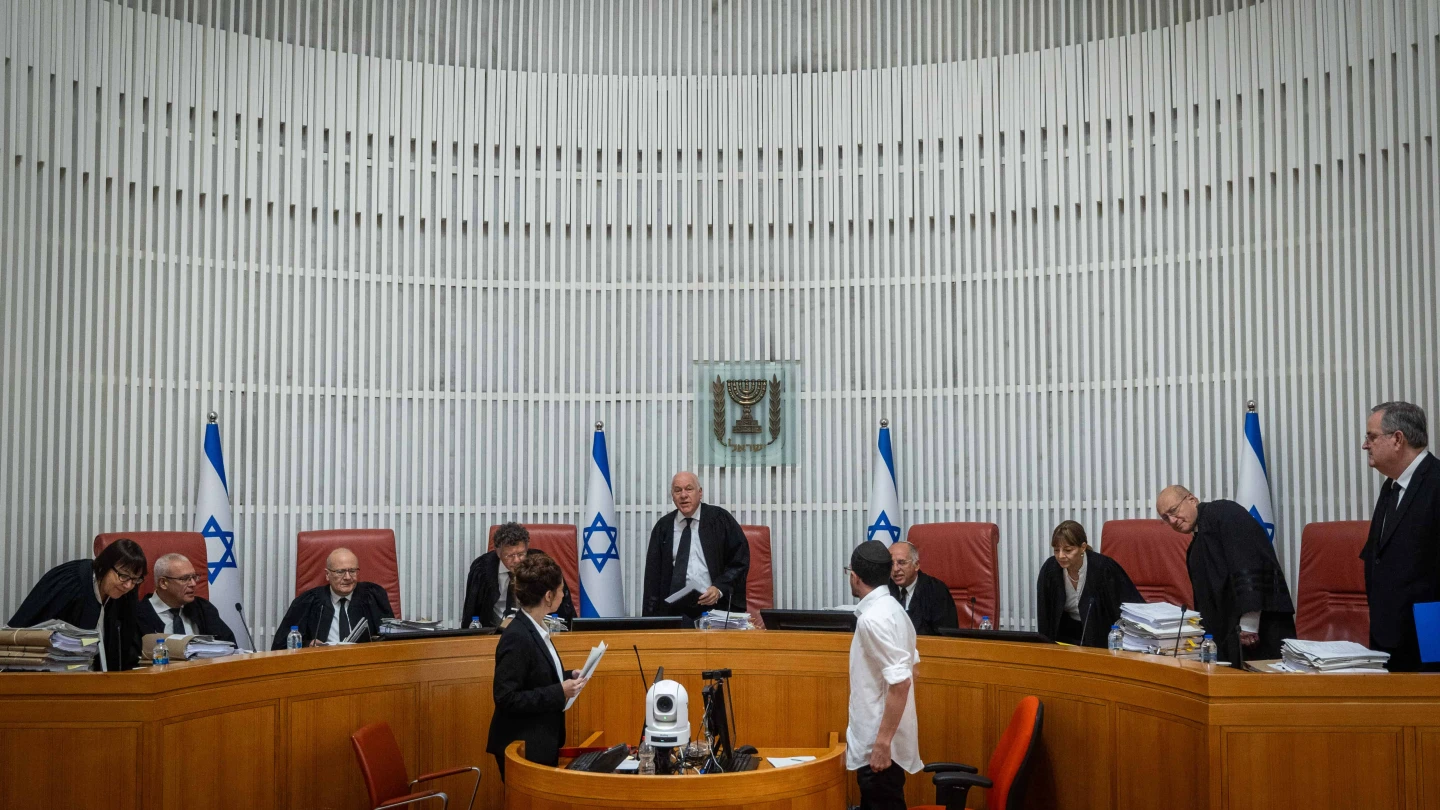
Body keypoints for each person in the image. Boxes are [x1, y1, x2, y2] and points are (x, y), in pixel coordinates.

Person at [1156, 485, 1296, 667]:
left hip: (1259, 635)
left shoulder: (1224, 512)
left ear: (1192, 499)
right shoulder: (1197, 542)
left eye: (1174, 511)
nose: (1173, 520)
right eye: (1166, 518)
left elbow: (1251, 563)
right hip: (1229, 638)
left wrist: (1249, 624)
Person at [485, 553, 589, 779]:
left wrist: (567, 674)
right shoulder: (517, 636)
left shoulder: (537, 627)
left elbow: (537, 674)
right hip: (522, 747)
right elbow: (506, 697)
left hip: (539, 742)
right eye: (562, 590)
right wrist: (560, 691)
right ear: (549, 596)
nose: (564, 595)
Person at [1360, 401, 1440, 672]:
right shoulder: (1390, 487)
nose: (1365, 445)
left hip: (1427, 644)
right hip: (1388, 640)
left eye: (1371, 437)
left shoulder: (1437, 483)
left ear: (1397, 439)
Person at [846, 540, 922, 810]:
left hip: (877, 746)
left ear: (855, 576)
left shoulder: (873, 618)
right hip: (886, 739)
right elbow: (913, 667)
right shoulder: (895, 610)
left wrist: (882, 742)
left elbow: (901, 681)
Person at [8, 538, 148, 671]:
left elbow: (126, 647)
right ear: (105, 565)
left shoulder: (127, 593)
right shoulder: (71, 582)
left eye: (135, 579)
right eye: (123, 576)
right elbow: (32, 629)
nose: (128, 585)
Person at [641, 471, 750, 622]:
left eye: (689, 489)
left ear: (700, 493)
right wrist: (650, 620)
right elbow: (652, 577)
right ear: (672, 496)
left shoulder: (720, 520)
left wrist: (719, 588)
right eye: (677, 490)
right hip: (675, 612)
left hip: (715, 608)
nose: (683, 495)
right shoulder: (663, 528)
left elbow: (740, 561)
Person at [1035, 521, 1143, 647]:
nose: (1060, 556)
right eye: (1056, 550)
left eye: (1068, 550)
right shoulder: (1050, 570)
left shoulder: (1104, 569)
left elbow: (1129, 609)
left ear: (1083, 547)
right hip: (1064, 639)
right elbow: (1045, 616)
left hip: (1101, 638)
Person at [269, 548, 393, 649]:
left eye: (353, 571)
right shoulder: (309, 601)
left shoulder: (373, 596)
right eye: (340, 572)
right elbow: (281, 646)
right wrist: (307, 645)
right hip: (322, 667)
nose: (348, 577)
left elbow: (392, 640)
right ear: (327, 575)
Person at [460, 522, 576, 628]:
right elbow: (471, 611)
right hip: (495, 630)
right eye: (510, 556)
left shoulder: (539, 565)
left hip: (534, 628)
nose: (516, 560)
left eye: (521, 554)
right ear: (498, 552)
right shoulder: (482, 569)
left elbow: (561, 601)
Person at [135, 553, 237, 644]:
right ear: (163, 583)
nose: (193, 584)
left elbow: (230, 647)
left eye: (194, 577)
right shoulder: (137, 616)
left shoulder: (203, 609)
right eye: (185, 579)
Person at [886, 541, 959, 635]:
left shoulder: (936, 590)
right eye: (891, 564)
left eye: (901, 562)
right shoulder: (884, 589)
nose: (895, 569)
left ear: (916, 565)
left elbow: (946, 635)